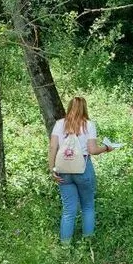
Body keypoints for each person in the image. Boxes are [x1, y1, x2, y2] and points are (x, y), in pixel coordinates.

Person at [48, 97, 113, 243]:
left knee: (68, 210)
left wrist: (52, 168)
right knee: (88, 206)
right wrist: (107, 148)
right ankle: (87, 242)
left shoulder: (59, 124)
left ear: (69, 107)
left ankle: (65, 245)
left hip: (63, 169)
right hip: (83, 168)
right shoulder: (88, 125)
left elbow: (52, 147)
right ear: (84, 108)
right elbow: (92, 150)